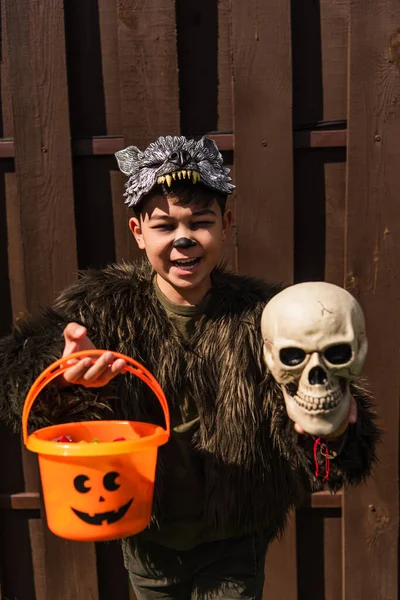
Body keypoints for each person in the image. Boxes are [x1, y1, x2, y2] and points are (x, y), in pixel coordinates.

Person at [0, 136, 380, 600]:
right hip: (146, 527)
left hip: (236, 532)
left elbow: (318, 424)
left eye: (200, 222)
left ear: (226, 224)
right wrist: (64, 375)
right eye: (165, 226)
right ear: (138, 232)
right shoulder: (99, 309)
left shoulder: (264, 316)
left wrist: (334, 432)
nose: (184, 239)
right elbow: (23, 378)